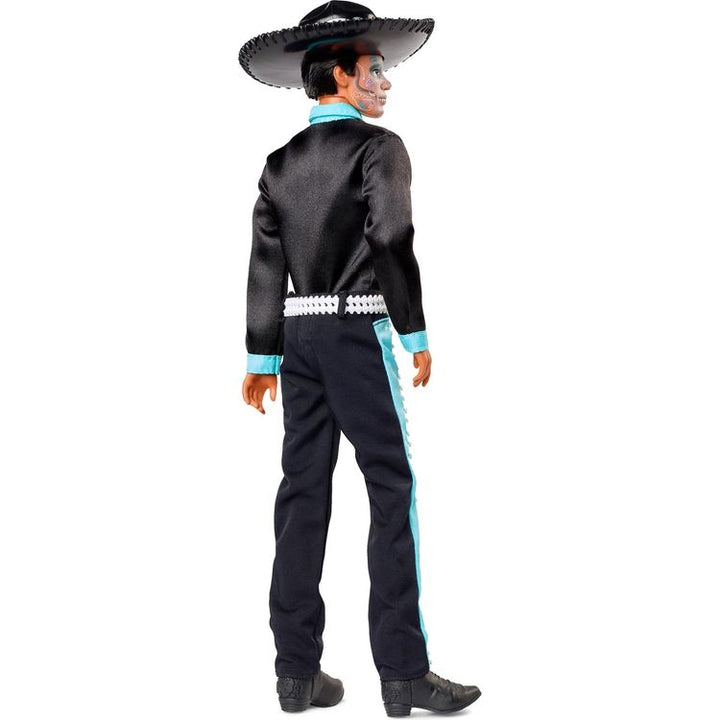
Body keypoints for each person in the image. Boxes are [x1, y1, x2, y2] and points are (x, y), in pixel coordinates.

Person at [238, 2, 481, 715]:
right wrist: (413, 332)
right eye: (374, 69)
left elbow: (265, 264)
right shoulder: (380, 149)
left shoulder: (279, 164)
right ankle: (404, 672)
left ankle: (295, 671)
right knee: (390, 487)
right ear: (340, 73)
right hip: (357, 331)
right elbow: (391, 240)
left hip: (299, 338)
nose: (385, 82)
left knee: (302, 494)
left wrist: (261, 356)